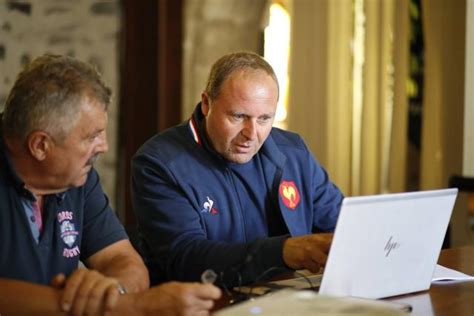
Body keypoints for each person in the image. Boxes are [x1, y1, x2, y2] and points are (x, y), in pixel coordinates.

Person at [0, 54, 220, 315]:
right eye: (91, 136)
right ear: (40, 145)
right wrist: (131, 307)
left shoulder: (76, 175)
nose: (103, 147)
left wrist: (112, 291)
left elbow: (122, 259)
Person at [132, 51, 344, 287]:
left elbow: (342, 226)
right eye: (238, 116)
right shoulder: (159, 163)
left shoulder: (294, 153)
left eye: (264, 119)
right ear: (206, 103)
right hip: (205, 306)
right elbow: (184, 258)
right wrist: (283, 251)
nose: (251, 134)